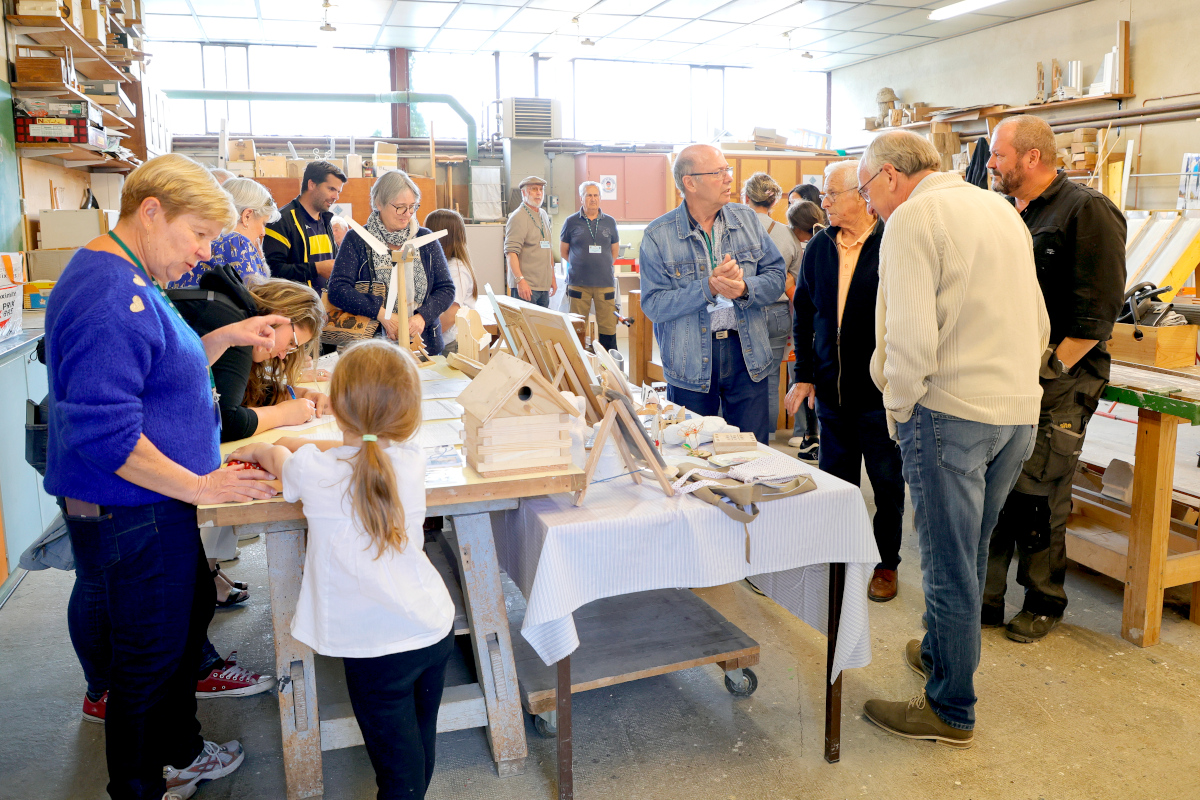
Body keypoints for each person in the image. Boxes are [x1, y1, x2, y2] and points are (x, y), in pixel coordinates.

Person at [44, 153, 283, 799]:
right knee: (147, 663)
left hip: (152, 502)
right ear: (151, 211)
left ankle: (178, 752)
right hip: (131, 509)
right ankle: (140, 784)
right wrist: (203, 486)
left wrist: (229, 334)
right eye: (197, 234)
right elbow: (104, 431)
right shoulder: (108, 294)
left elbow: (160, 375)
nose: (203, 253)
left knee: (178, 636)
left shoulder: (131, 277)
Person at [858, 131, 1048, 748]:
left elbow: (909, 335)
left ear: (889, 176)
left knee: (945, 561)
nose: (869, 206)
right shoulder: (999, 208)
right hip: (1014, 412)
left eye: (866, 191)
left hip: (948, 412)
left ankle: (949, 708)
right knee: (967, 551)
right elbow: (1040, 320)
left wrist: (897, 407)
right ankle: (945, 654)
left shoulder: (915, 218)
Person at [228, 340, 455, 800]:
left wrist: (266, 447)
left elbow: (280, 459)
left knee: (395, 773)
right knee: (415, 753)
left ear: (338, 408)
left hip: (374, 649)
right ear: (408, 414)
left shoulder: (314, 471)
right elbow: (362, 451)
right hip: (431, 629)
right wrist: (316, 444)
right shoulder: (409, 463)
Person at [982, 115, 1126, 642]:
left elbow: (1097, 314)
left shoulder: (1086, 211)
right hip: (1006, 375)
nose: (991, 164)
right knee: (995, 488)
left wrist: (1050, 367)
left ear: (1031, 158)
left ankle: (1044, 600)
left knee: (1039, 493)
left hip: (1060, 381)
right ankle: (987, 595)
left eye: (998, 155)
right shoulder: (1006, 212)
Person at [785, 161, 906, 603]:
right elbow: (804, 315)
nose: (825, 202)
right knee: (836, 482)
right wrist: (806, 377)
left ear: (862, 194)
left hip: (879, 395)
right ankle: (836, 555)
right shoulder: (819, 246)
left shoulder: (892, 240)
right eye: (824, 195)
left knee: (887, 484)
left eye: (832, 194)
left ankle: (886, 563)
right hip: (832, 392)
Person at [639, 144, 786, 443]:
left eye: (727, 170)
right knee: (693, 454)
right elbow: (654, 305)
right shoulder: (658, 235)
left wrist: (745, 288)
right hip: (690, 359)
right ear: (690, 182)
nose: (729, 178)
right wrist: (707, 287)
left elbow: (777, 276)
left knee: (752, 452)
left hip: (747, 357)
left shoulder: (747, 221)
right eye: (719, 172)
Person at [327, 169, 455, 354]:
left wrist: (422, 317)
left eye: (413, 206)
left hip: (424, 347)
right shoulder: (357, 240)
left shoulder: (425, 239)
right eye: (400, 206)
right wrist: (381, 314)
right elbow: (338, 290)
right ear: (379, 203)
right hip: (371, 348)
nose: (407, 213)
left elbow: (446, 289)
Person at [742, 172, 801, 439]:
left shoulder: (735, 231)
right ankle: (765, 441)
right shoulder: (786, 234)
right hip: (778, 313)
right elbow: (798, 274)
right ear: (774, 201)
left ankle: (736, 438)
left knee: (738, 379)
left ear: (746, 198)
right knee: (771, 380)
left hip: (743, 310)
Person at [169, 177, 279, 289]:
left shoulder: (204, 239)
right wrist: (261, 259)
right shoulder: (237, 242)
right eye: (263, 223)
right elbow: (261, 298)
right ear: (247, 216)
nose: (263, 232)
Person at [264, 159, 346, 291]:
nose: (336, 197)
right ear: (312, 184)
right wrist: (317, 269)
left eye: (338, 191)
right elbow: (272, 270)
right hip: (296, 308)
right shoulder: (281, 220)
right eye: (331, 189)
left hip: (325, 307)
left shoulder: (326, 220)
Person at [784, 199, 825, 459]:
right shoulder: (829, 242)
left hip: (801, 324)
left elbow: (800, 297)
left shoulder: (805, 247)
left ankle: (806, 434)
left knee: (801, 378)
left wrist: (789, 285)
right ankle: (812, 435)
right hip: (825, 329)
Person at [560, 180, 621, 352]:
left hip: (605, 284)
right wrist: (580, 265)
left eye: (596, 195)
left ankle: (609, 367)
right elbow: (564, 251)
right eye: (589, 195)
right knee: (577, 326)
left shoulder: (610, 222)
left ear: (600, 198)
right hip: (579, 284)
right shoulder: (571, 222)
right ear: (581, 198)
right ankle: (579, 365)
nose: (593, 199)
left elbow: (614, 251)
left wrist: (601, 265)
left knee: (608, 328)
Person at [425, 208, 479, 356]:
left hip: (452, 343)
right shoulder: (446, 265)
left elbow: (450, 315)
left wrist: (426, 338)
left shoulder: (455, 269)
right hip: (447, 340)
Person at [505, 175, 557, 307]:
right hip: (526, 287)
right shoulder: (518, 217)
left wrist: (552, 277)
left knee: (541, 327)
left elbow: (548, 249)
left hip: (543, 286)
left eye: (541, 189)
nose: (539, 193)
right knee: (525, 327)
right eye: (534, 189)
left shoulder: (544, 215)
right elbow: (511, 253)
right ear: (524, 193)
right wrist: (520, 280)